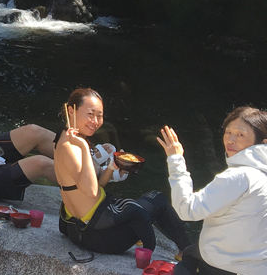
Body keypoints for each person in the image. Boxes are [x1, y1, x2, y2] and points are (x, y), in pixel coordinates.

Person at [158, 106, 267, 275]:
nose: (231, 140)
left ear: (263, 142)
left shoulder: (239, 175)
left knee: (192, 253)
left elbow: (187, 209)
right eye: (228, 132)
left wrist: (175, 159)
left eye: (240, 134)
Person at [56, 88, 191, 256]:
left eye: (100, 116)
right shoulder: (74, 147)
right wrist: (84, 147)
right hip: (103, 238)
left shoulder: (65, 139)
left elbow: (93, 188)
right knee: (158, 199)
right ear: (71, 111)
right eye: (90, 114)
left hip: (79, 230)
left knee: (138, 206)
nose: (96, 121)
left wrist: (112, 167)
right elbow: (91, 192)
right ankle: (187, 252)